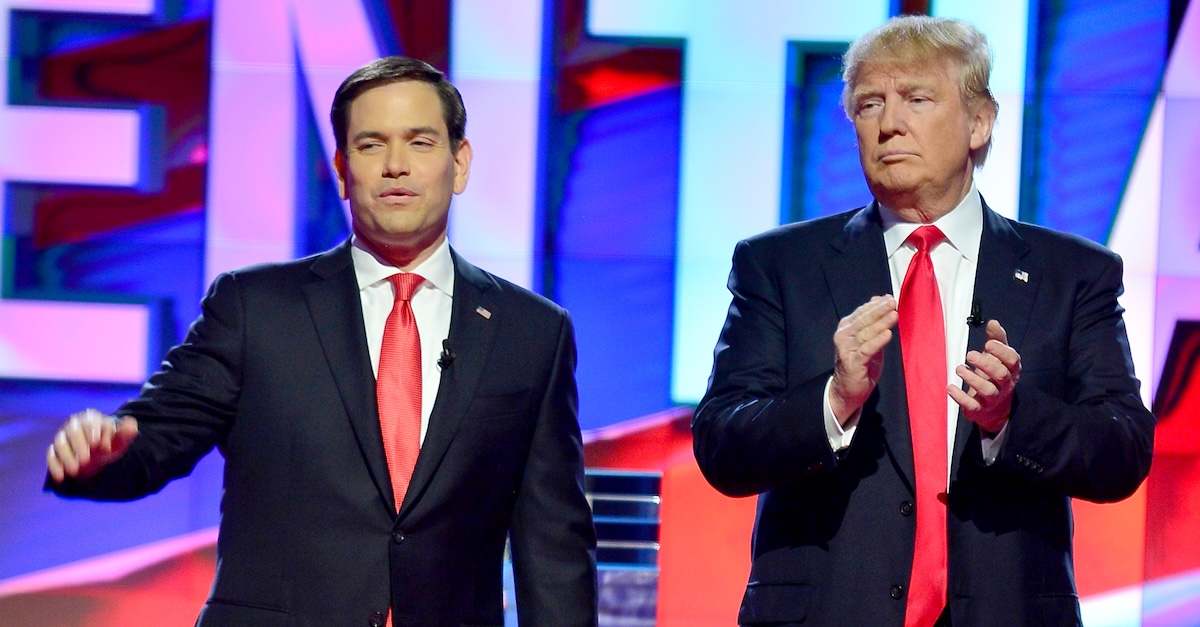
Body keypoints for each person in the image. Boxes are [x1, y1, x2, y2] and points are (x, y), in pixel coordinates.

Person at [45, 56, 598, 626]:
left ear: (459, 164)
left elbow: (554, 542)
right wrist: (102, 458)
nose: (396, 166)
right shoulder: (254, 308)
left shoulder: (530, 331)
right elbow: (158, 433)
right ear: (340, 169)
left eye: (421, 142)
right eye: (370, 145)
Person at [691, 15, 1154, 627]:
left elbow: (1122, 449)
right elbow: (722, 444)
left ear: (979, 122)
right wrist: (833, 400)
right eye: (868, 104)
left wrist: (1011, 419)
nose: (888, 124)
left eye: (916, 99)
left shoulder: (1072, 274)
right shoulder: (779, 266)